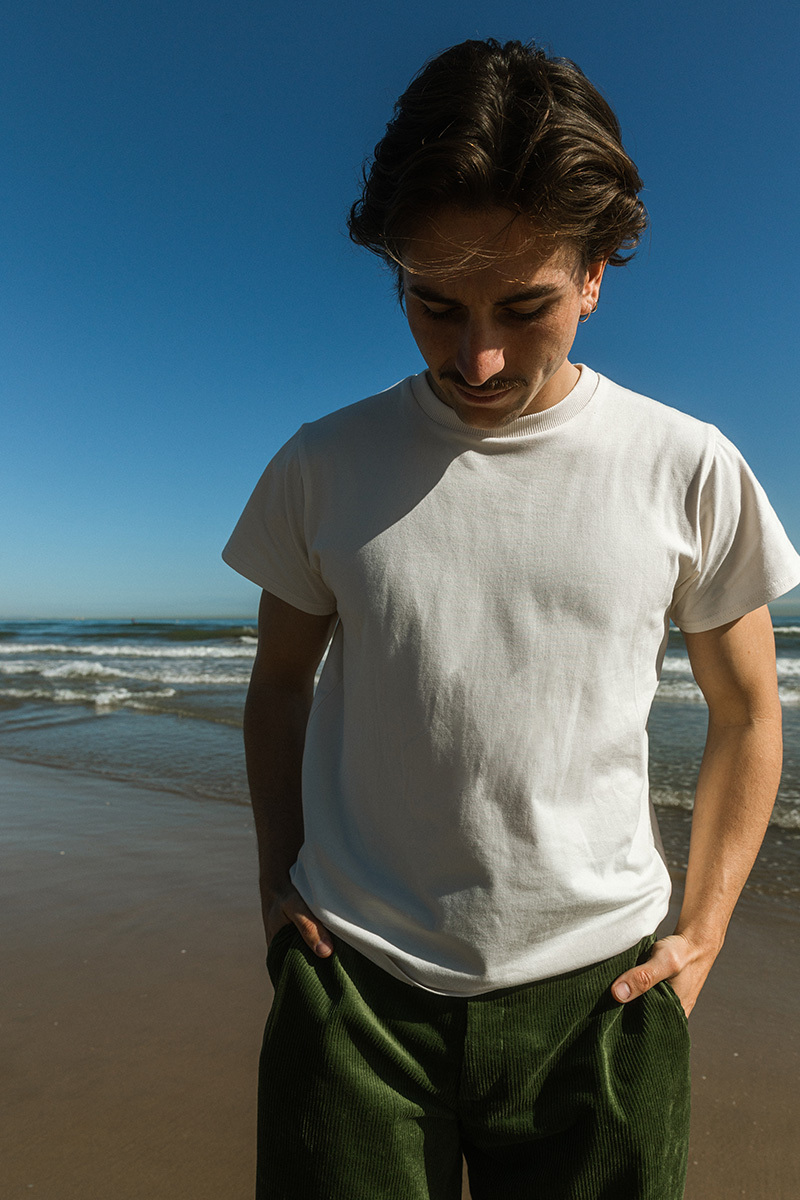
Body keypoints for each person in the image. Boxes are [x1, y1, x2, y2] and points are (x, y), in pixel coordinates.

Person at [223, 38, 800, 1200]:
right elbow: (280, 683)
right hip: (354, 994)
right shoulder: (321, 465)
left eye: (523, 306)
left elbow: (746, 711)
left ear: (595, 273)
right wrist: (274, 884)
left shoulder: (685, 467)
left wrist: (703, 935)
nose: (476, 357)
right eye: (434, 305)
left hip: (601, 1002)